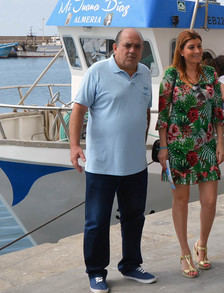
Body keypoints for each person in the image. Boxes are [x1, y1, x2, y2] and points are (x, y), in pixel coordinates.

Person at [69, 28, 157, 293]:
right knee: (96, 221)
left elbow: (144, 112)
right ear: (115, 48)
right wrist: (74, 146)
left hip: (135, 165)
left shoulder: (143, 73)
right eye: (127, 45)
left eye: (137, 47)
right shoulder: (97, 72)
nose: (132, 51)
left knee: (134, 218)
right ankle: (96, 272)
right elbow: (79, 110)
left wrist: (141, 144)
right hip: (102, 166)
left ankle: (131, 265)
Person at [156, 30, 224, 278]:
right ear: (182, 51)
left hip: (206, 145)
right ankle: (185, 251)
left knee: (209, 201)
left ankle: (202, 244)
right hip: (178, 147)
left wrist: (220, 143)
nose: (197, 51)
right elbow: (163, 114)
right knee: (181, 201)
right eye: (191, 47)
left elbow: (218, 110)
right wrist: (163, 148)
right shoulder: (171, 75)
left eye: (199, 46)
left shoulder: (210, 74)